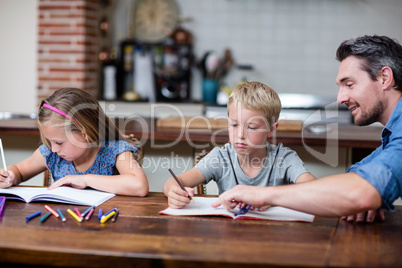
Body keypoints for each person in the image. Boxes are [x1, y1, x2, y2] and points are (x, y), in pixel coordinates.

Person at [212, 35, 402, 223]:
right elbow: (355, 182)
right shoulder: (393, 133)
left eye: (349, 85)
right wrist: (354, 195)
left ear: (385, 78)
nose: (340, 98)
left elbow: (361, 193)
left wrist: (263, 195)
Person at [163, 81, 316, 208]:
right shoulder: (221, 157)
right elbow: (173, 182)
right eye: (234, 125)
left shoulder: (284, 158)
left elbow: (314, 190)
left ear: (271, 129)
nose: (240, 135)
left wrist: (271, 198)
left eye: (252, 127)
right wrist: (174, 192)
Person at [0, 88, 149, 196]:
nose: (53, 149)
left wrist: (85, 179)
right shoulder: (51, 154)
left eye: (58, 142)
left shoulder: (114, 151)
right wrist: (10, 176)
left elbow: (139, 186)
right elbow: (19, 171)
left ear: (85, 133)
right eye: (50, 142)